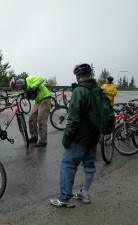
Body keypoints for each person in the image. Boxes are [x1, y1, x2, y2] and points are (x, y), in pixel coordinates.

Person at [50, 63, 100, 208]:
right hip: (94, 135)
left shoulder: (79, 91)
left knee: (68, 165)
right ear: (90, 74)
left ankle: (65, 198)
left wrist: (67, 136)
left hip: (80, 136)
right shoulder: (97, 90)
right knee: (89, 164)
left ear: (77, 76)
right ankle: (84, 192)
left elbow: (74, 118)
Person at [10, 76, 51, 147]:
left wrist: (31, 87)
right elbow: (31, 97)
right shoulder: (24, 89)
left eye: (16, 87)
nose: (17, 88)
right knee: (31, 118)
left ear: (19, 83)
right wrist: (25, 96)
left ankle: (43, 141)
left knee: (41, 120)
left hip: (45, 98)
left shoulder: (29, 79)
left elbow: (41, 79)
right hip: (38, 101)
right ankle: (34, 137)